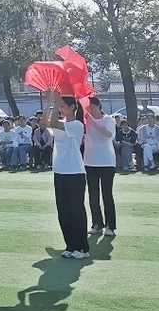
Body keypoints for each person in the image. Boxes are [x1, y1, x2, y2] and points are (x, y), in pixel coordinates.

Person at [44, 91, 89, 259]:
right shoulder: (60, 123)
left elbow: (53, 121)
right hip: (60, 171)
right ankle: (70, 245)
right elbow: (45, 122)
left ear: (72, 107)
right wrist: (50, 100)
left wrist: (56, 101)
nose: (60, 108)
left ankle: (82, 247)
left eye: (63, 106)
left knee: (76, 210)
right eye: (60, 106)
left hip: (75, 172)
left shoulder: (76, 125)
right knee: (63, 210)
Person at [83, 97, 117, 237]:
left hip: (107, 162)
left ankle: (111, 226)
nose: (89, 109)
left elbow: (108, 135)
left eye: (91, 106)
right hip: (90, 161)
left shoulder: (108, 119)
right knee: (93, 195)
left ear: (98, 106)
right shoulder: (85, 121)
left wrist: (93, 122)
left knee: (107, 194)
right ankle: (97, 224)